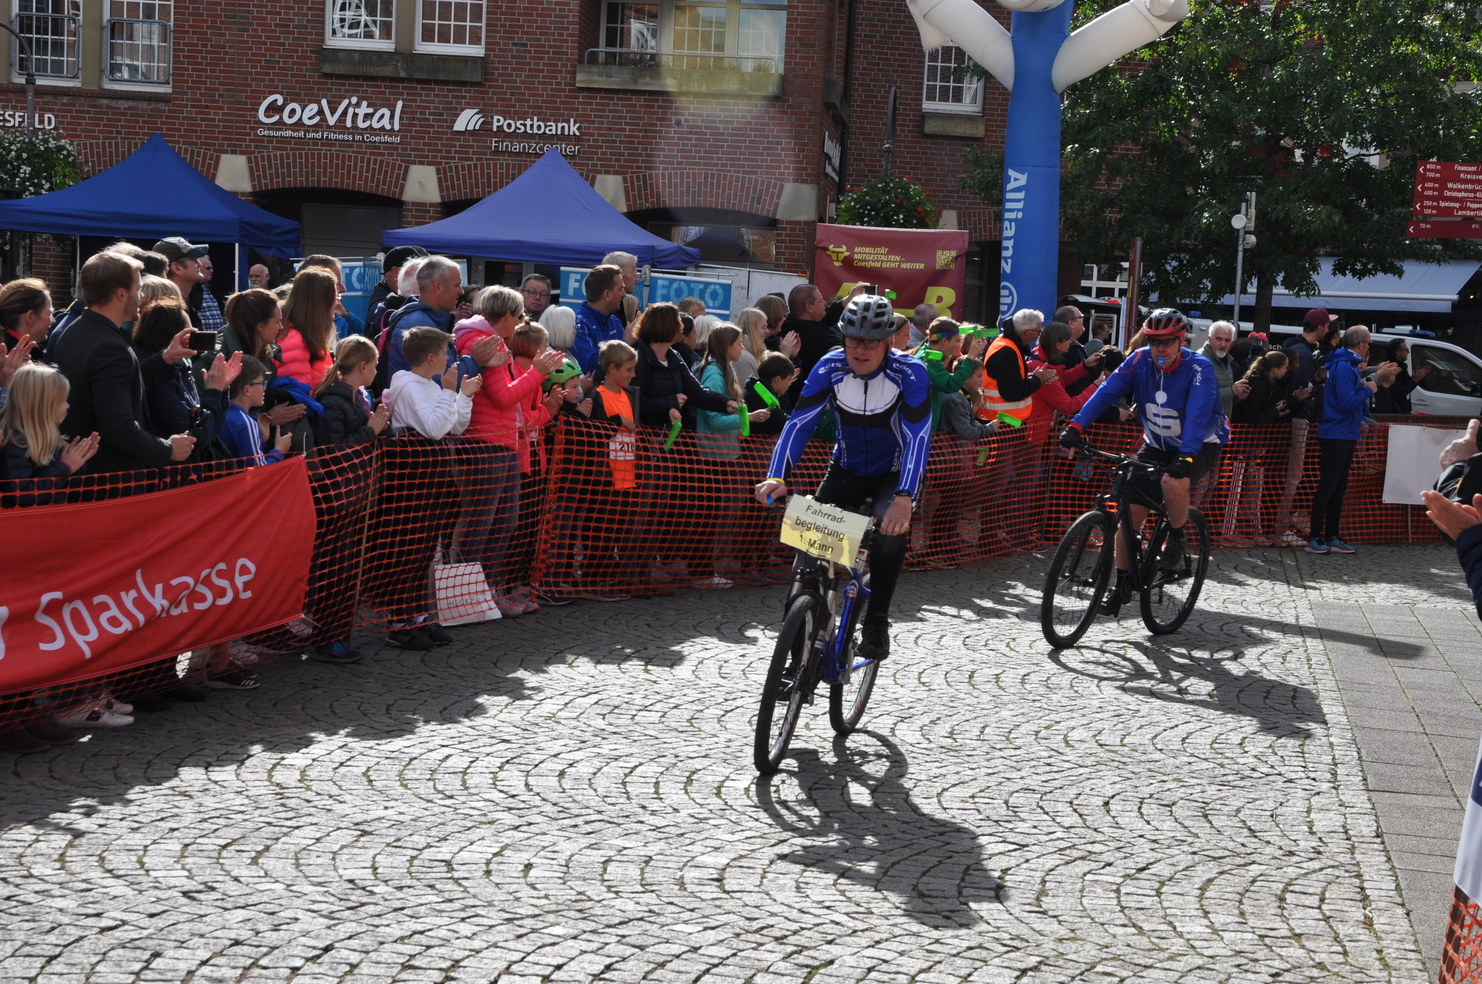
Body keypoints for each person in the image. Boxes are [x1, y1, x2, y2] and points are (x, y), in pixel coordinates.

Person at [755, 293, 933, 662]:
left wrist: (905, 497)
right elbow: (798, 424)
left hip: (894, 474)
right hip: (847, 469)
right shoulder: (829, 366)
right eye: (853, 339)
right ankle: (801, 642)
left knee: (887, 535)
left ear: (887, 342)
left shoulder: (910, 372)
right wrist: (777, 476)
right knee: (810, 553)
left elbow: (918, 438)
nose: (860, 349)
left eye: (871, 341)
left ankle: (877, 621)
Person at [1060, 309, 1227, 617]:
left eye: (1166, 342)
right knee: (1129, 515)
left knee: (1172, 481)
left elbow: (1197, 416)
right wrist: (1076, 426)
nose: (1159, 349)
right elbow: (1105, 393)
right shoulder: (1138, 360)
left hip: (1199, 443)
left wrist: (1186, 457)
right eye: (1153, 342)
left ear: (1181, 341)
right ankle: (1122, 584)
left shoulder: (1199, 368)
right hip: (1157, 443)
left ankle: (1176, 536)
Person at [376, 327, 482, 650]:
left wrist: (462, 395)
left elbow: (455, 425)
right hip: (413, 477)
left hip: (432, 474)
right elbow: (435, 429)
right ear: (432, 358)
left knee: (426, 550)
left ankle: (420, 615)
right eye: (446, 353)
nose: (450, 359)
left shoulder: (430, 384)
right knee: (409, 548)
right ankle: (400, 621)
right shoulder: (409, 386)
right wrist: (450, 393)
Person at [50, 251, 196, 473]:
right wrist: (167, 449)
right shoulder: (108, 347)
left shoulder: (76, 330)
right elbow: (118, 427)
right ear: (120, 294)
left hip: (88, 471)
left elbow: (117, 388)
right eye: (138, 290)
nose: (140, 297)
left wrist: (166, 357)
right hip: (108, 478)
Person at [1306, 326, 1392, 554]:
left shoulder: (1345, 365)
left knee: (1338, 488)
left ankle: (1331, 535)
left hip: (1344, 433)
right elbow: (1347, 402)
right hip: (1337, 434)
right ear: (1362, 345)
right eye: (1369, 343)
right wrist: (1369, 390)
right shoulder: (1345, 367)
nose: (1369, 348)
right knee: (1328, 488)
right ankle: (1315, 537)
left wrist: (1366, 386)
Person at [130, 294, 239, 461]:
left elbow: (211, 427)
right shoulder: (158, 377)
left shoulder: (179, 366)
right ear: (174, 336)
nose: (194, 338)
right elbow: (197, 435)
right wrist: (213, 392)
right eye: (189, 333)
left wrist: (220, 390)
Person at [630, 302, 736, 428]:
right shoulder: (638, 360)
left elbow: (697, 393)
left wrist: (725, 402)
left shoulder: (674, 357)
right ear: (665, 326)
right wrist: (671, 403)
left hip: (670, 437)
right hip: (644, 439)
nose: (681, 325)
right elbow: (635, 401)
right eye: (677, 321)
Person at [0, 362, 100, 483]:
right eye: (62, 400)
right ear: (44, 407)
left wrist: (77, 460)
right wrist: (66, 466)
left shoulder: (53, 440)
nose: (67, 405)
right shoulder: (16, 444)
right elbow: (23, 496)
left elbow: (66, 487)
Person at [383, 255, 462, 380]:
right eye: (457, 285)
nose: (461, 291)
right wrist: (474, 362)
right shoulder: (419, 324)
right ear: (438, 287)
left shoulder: (428, 320)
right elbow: (438, 383)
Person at [1025, 320, 1100, 441]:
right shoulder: (1042, 369)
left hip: (1035, 429)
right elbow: (1069, 406)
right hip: (1032, 434)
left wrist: (1085, 365)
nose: (1071, 342)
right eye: (1068, 339)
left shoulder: (1042, 359)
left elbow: (1062, 379)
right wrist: (1096, 386)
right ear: (1058, 345)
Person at [312, 336, 390, 446]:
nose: (376, 372)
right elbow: (335, 450)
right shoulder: (332, 403)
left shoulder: (361, 396)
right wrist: (371, 430)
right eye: (374, 366)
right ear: (363, 366)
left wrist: (382, 427)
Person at [781, 282, 853, 400]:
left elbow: (825, 318)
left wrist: (847, 300)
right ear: (809, 307)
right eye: (820, 301)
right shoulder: (822, 338)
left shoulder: (787, 326)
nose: (824, 303)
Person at [219, 357, 291, 466]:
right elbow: (259, 473)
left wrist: (261, 439)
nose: (264, 388)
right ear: (247, 389)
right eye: (261, 383)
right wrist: (279, 450)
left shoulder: (220, 414)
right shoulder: (247, 424)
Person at [572, 264, 627, 374]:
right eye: (620, 289)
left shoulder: (614, 321)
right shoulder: (579, 323)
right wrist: (626, 342)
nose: (624, 294)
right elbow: (591, 369)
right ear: (607, 294)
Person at [366, 245, 427, 338]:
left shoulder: (389, 301)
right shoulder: (383, 308)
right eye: (417, 271)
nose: (422, 278)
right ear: (396, 271)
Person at [1197, 320, 1250, 419]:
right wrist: (1232, 391)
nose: (1223, 344)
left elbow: (1226, 399)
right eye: (1219, 339)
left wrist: (1238, 396)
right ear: (1209, 339)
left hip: (1220, 427)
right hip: (1204, 426)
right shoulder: (1200, 361)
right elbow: (1200, 395)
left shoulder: (1227, 360)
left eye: (1227, 340)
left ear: (1232, 342)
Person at [154, 237, 210, 330]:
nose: (199, 264)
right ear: (177, 268)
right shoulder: (167, 311)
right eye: (194, 259)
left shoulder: (180, 305)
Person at [1232, 350, 1294, 425]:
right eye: (1285, 368)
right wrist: (1275, 410)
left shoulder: (1265, 382)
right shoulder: (1258, 385)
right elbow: (1252, 417)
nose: (1286, 371)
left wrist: (1276, 408)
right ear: (1276, 370)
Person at [1373, 337, 1430, 414]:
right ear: (1398, 353)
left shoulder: (1402, 367)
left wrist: (1415, 379)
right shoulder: (1394, 369)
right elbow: (1399, 393)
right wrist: (1415, 380)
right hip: (1396, 414)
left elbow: (1405, 388)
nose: (1408, 352)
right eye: (1406, 350)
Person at [743, 352, 795, 437]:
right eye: (788, 380)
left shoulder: (757, 388)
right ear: (778, 380)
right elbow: (781, 420)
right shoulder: (764, 396)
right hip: (753, 445)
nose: (790, 384)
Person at [733, 307, 769, 384]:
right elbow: (747, 393)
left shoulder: (754, 352)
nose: (767, 331)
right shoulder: (744, 359)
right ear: (751, 329)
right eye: (763, 327)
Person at [196, 253, 226, 334]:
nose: (211, 270)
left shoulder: (208, 288)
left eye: (212, 268)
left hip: (217, 339)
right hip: (203, 340)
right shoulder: (193, 291)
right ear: (198, 268)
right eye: (208, 268)